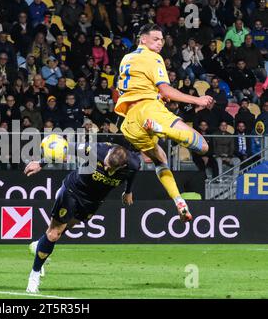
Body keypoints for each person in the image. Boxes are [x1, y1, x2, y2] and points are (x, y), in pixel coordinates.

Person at [115, 24, 214, 222]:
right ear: (143, 39)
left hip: (129, 124)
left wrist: (157, 95)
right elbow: (167, 90)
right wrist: (198, 100)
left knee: (160, 159)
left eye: (161, 39)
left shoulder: (127, 58)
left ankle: (179, 201)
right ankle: (160, 129)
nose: (160, 43)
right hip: (149, 111)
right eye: (155, 39)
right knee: (203, 147)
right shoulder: (153, 57)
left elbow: (134, 86)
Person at [24, 142, 140, 293]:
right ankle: (34, 275)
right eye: (105, 164)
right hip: (73, 190)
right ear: (108, 154)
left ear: (122, 166)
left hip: (93, 201)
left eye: (110, 169)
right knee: (54, 234)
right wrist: (41, 163)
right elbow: (65, 148)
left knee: (63, 229)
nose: (105, 169)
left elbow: (132, 176)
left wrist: (128, 191)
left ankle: (39, 244)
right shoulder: (95, 150)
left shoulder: (133, 164)